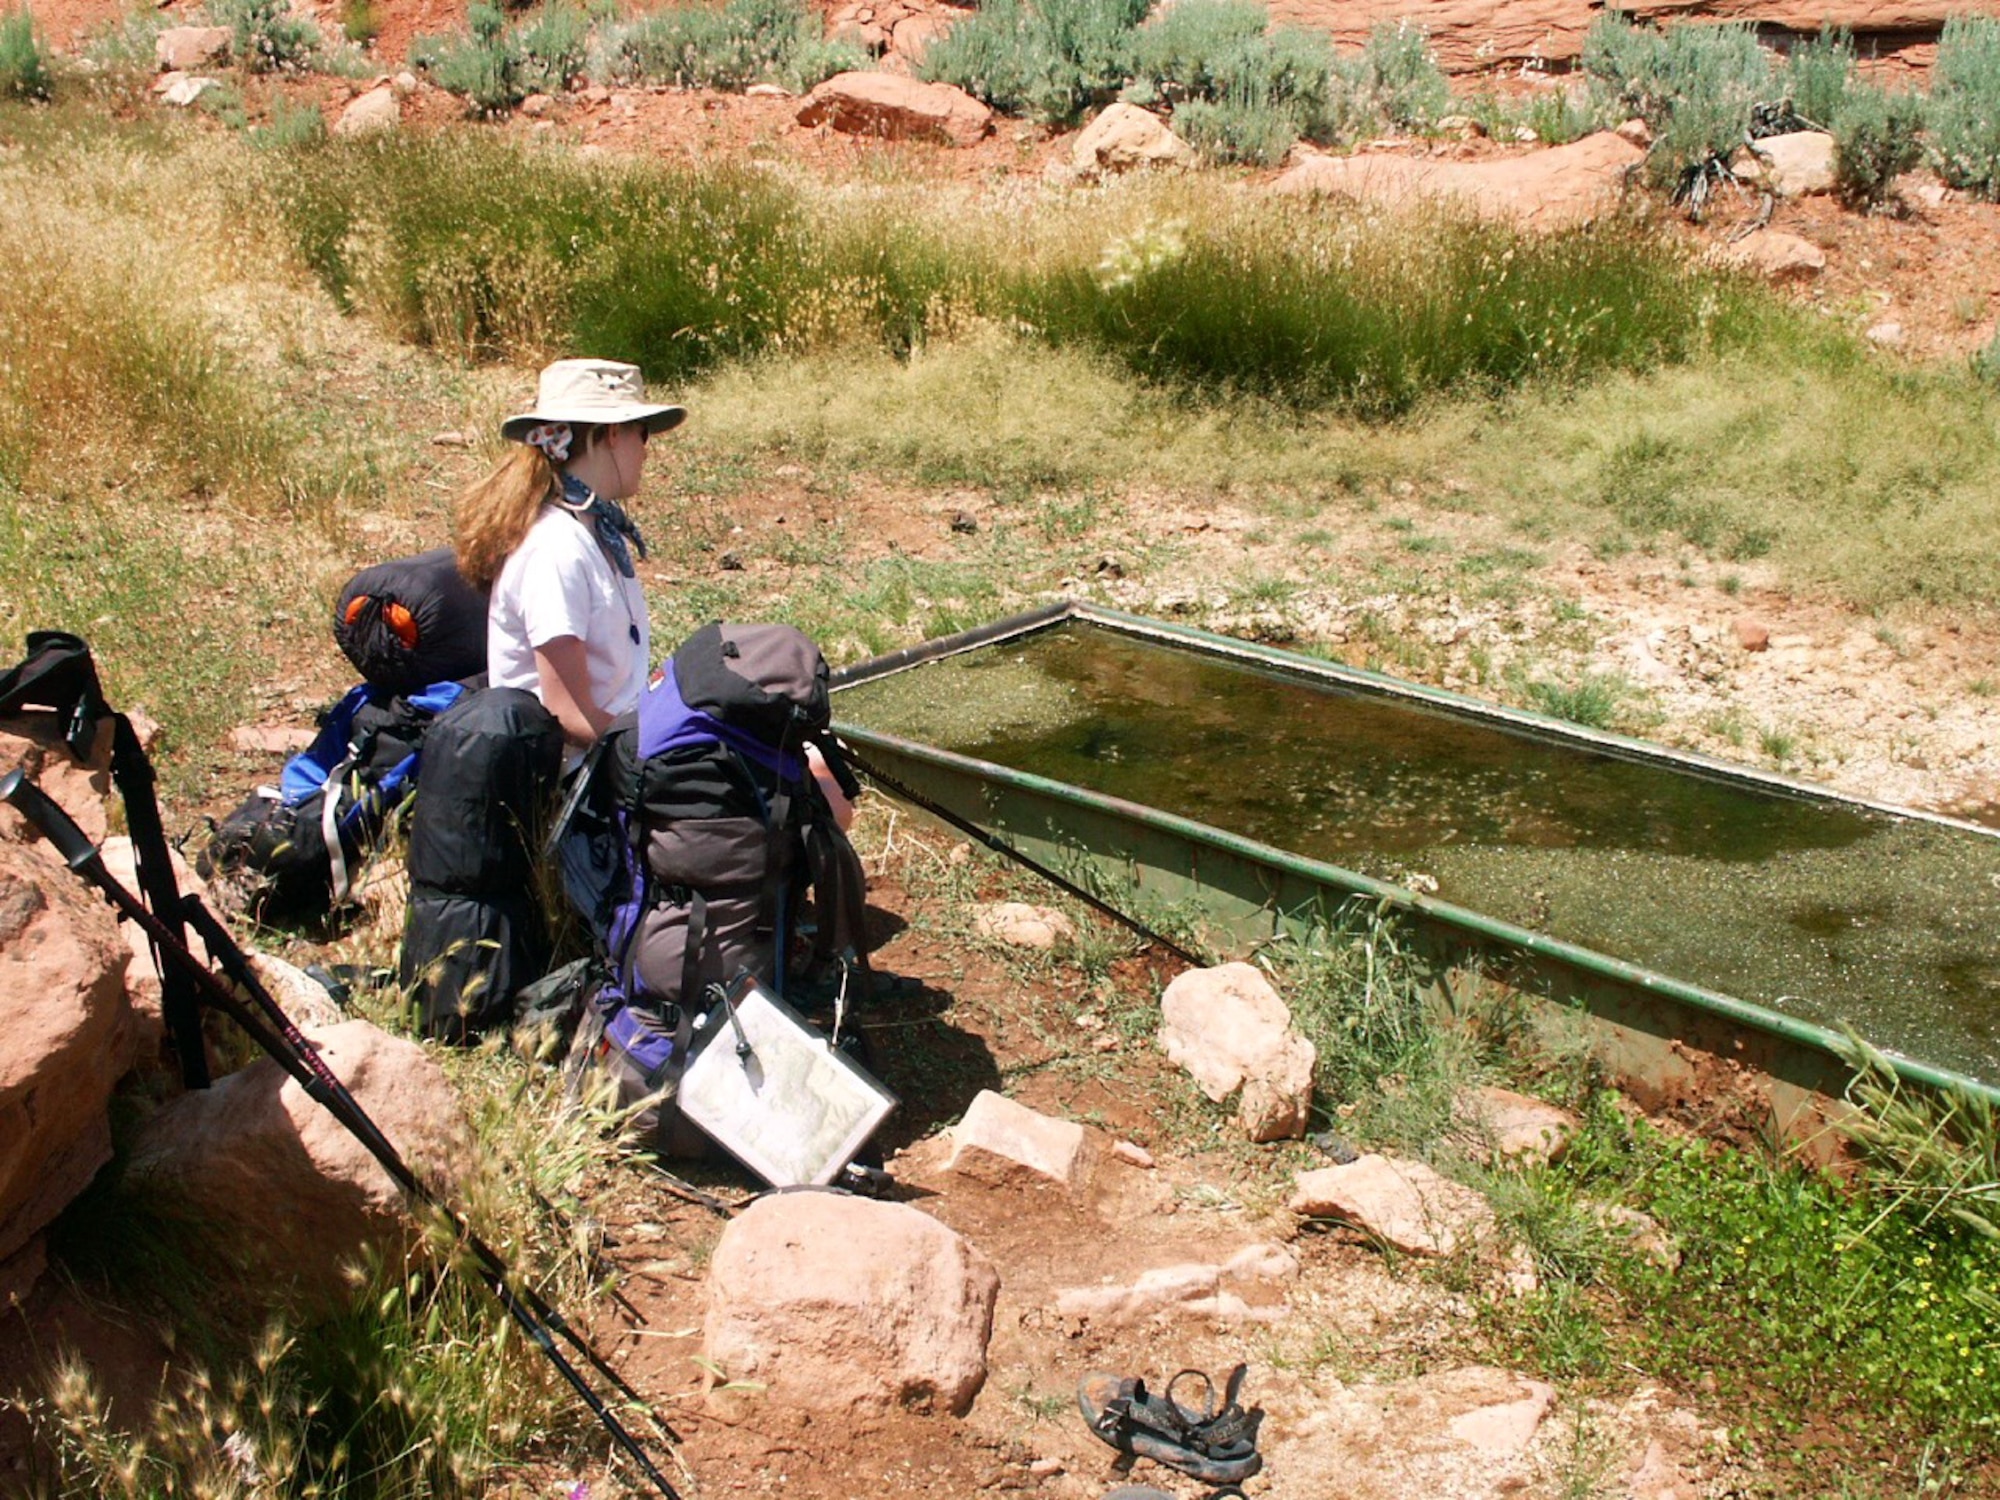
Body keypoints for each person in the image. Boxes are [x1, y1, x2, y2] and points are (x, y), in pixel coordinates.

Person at [454, 357, 687, 755]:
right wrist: (672, 754)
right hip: (586, 778)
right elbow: (569, 717)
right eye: (643, 434)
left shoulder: (591, 533)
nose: (646, 452)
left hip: (616, 751)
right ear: (612, 433)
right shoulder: (555, 551)